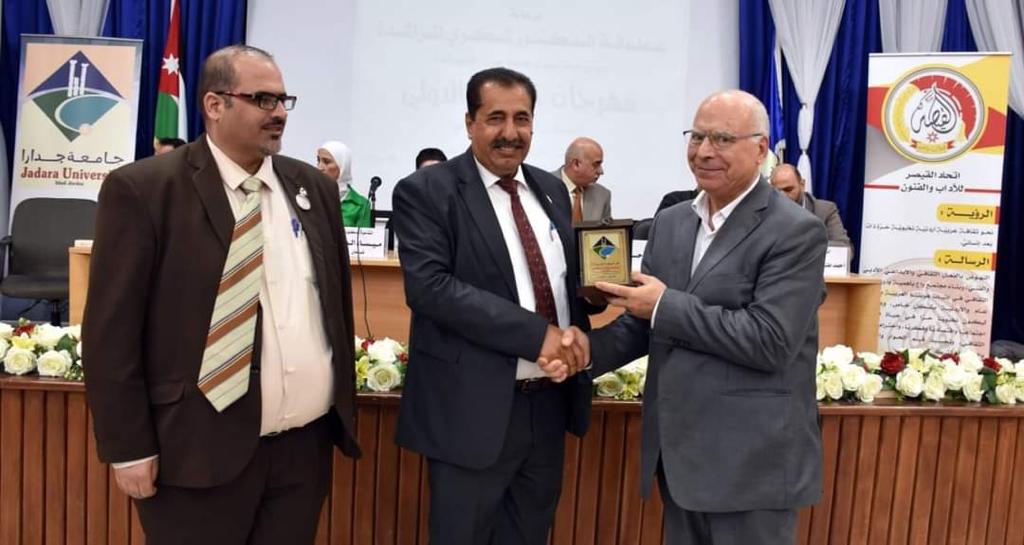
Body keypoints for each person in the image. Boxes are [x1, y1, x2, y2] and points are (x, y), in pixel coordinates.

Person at [83, 45, 361, 545]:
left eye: (283, 100)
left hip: (303, 451)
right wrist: (128, 447)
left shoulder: (312, 189)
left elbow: (335, 308)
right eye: (263, 100)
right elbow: (111, 332)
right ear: (214, 105)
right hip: (194, 452)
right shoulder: (145, 190)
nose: (279, 113)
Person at [546, 90, 827, 545]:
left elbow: (770, 340)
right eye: (696, 137)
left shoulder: (796, 231)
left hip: (752, 463)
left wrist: (664, 305)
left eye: (722, 139)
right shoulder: (673, 222)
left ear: (760, 149)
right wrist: (580, 353)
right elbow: (643, 325)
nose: (704, 151)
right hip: (680, 459)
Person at [391, 67, 594, 545]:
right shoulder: (427, 190)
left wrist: (595, 292)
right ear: (470, 122)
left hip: (548, 406)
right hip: (471, 412)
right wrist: (538, 335)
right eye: (495, 118)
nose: (510, 132)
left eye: (522, 118)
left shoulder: (551, 190)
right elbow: (431, 288)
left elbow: (559, 281)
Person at [771, 163, 853, 258]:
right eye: (777, 191)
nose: (783, 196)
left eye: (788, 189)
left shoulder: (825, 211)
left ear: (802, 185)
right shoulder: (765, 212)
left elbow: (844, 249)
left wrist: (801, 248)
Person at [551, 137, 611, 223]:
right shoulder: (542, 186)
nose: (601, 171)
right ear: (576, 164)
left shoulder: (602, 195)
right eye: (596, 164)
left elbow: (607, 230)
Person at [316, 141, 372, 227]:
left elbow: (364, 235)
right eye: (318, 160)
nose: (319, 167)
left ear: (342, 165)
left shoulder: (360, 205)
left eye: (326, 162)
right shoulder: (310, 197)